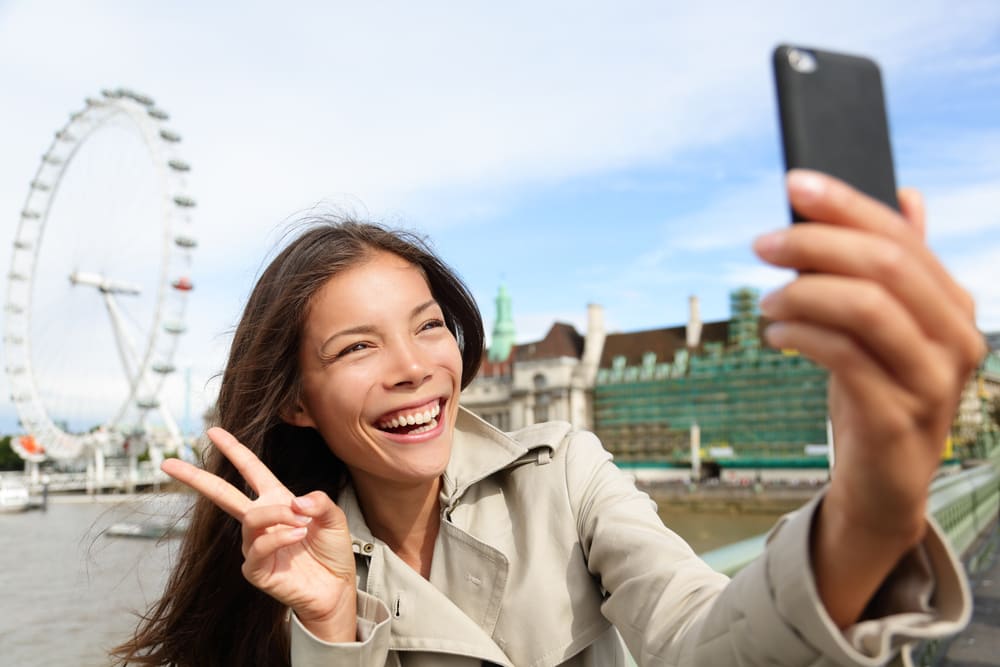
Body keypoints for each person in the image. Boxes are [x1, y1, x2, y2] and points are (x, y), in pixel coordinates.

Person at [113, 170, 984, 666]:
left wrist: (867, 515)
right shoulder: (278, 568)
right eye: (357, 348)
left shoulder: (565, 469)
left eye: (428, 326)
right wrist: (332, 627)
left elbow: (697, 636)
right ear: (295, 400)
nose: (416, 365)